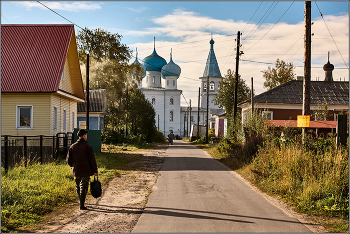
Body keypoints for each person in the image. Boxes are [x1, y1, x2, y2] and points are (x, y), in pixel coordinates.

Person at [66, 129, 98, 210]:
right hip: (86, 171)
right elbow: (92, 160)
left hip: (76, 171)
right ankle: (82, 205)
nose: (86, 136)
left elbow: (68, 160)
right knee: (84, 187)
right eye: (86, 135)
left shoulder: (72, 146)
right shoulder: (88, 146)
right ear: (84, 135)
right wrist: (95, 171)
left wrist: (73, 166)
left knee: (78, 186)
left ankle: (81, 202)